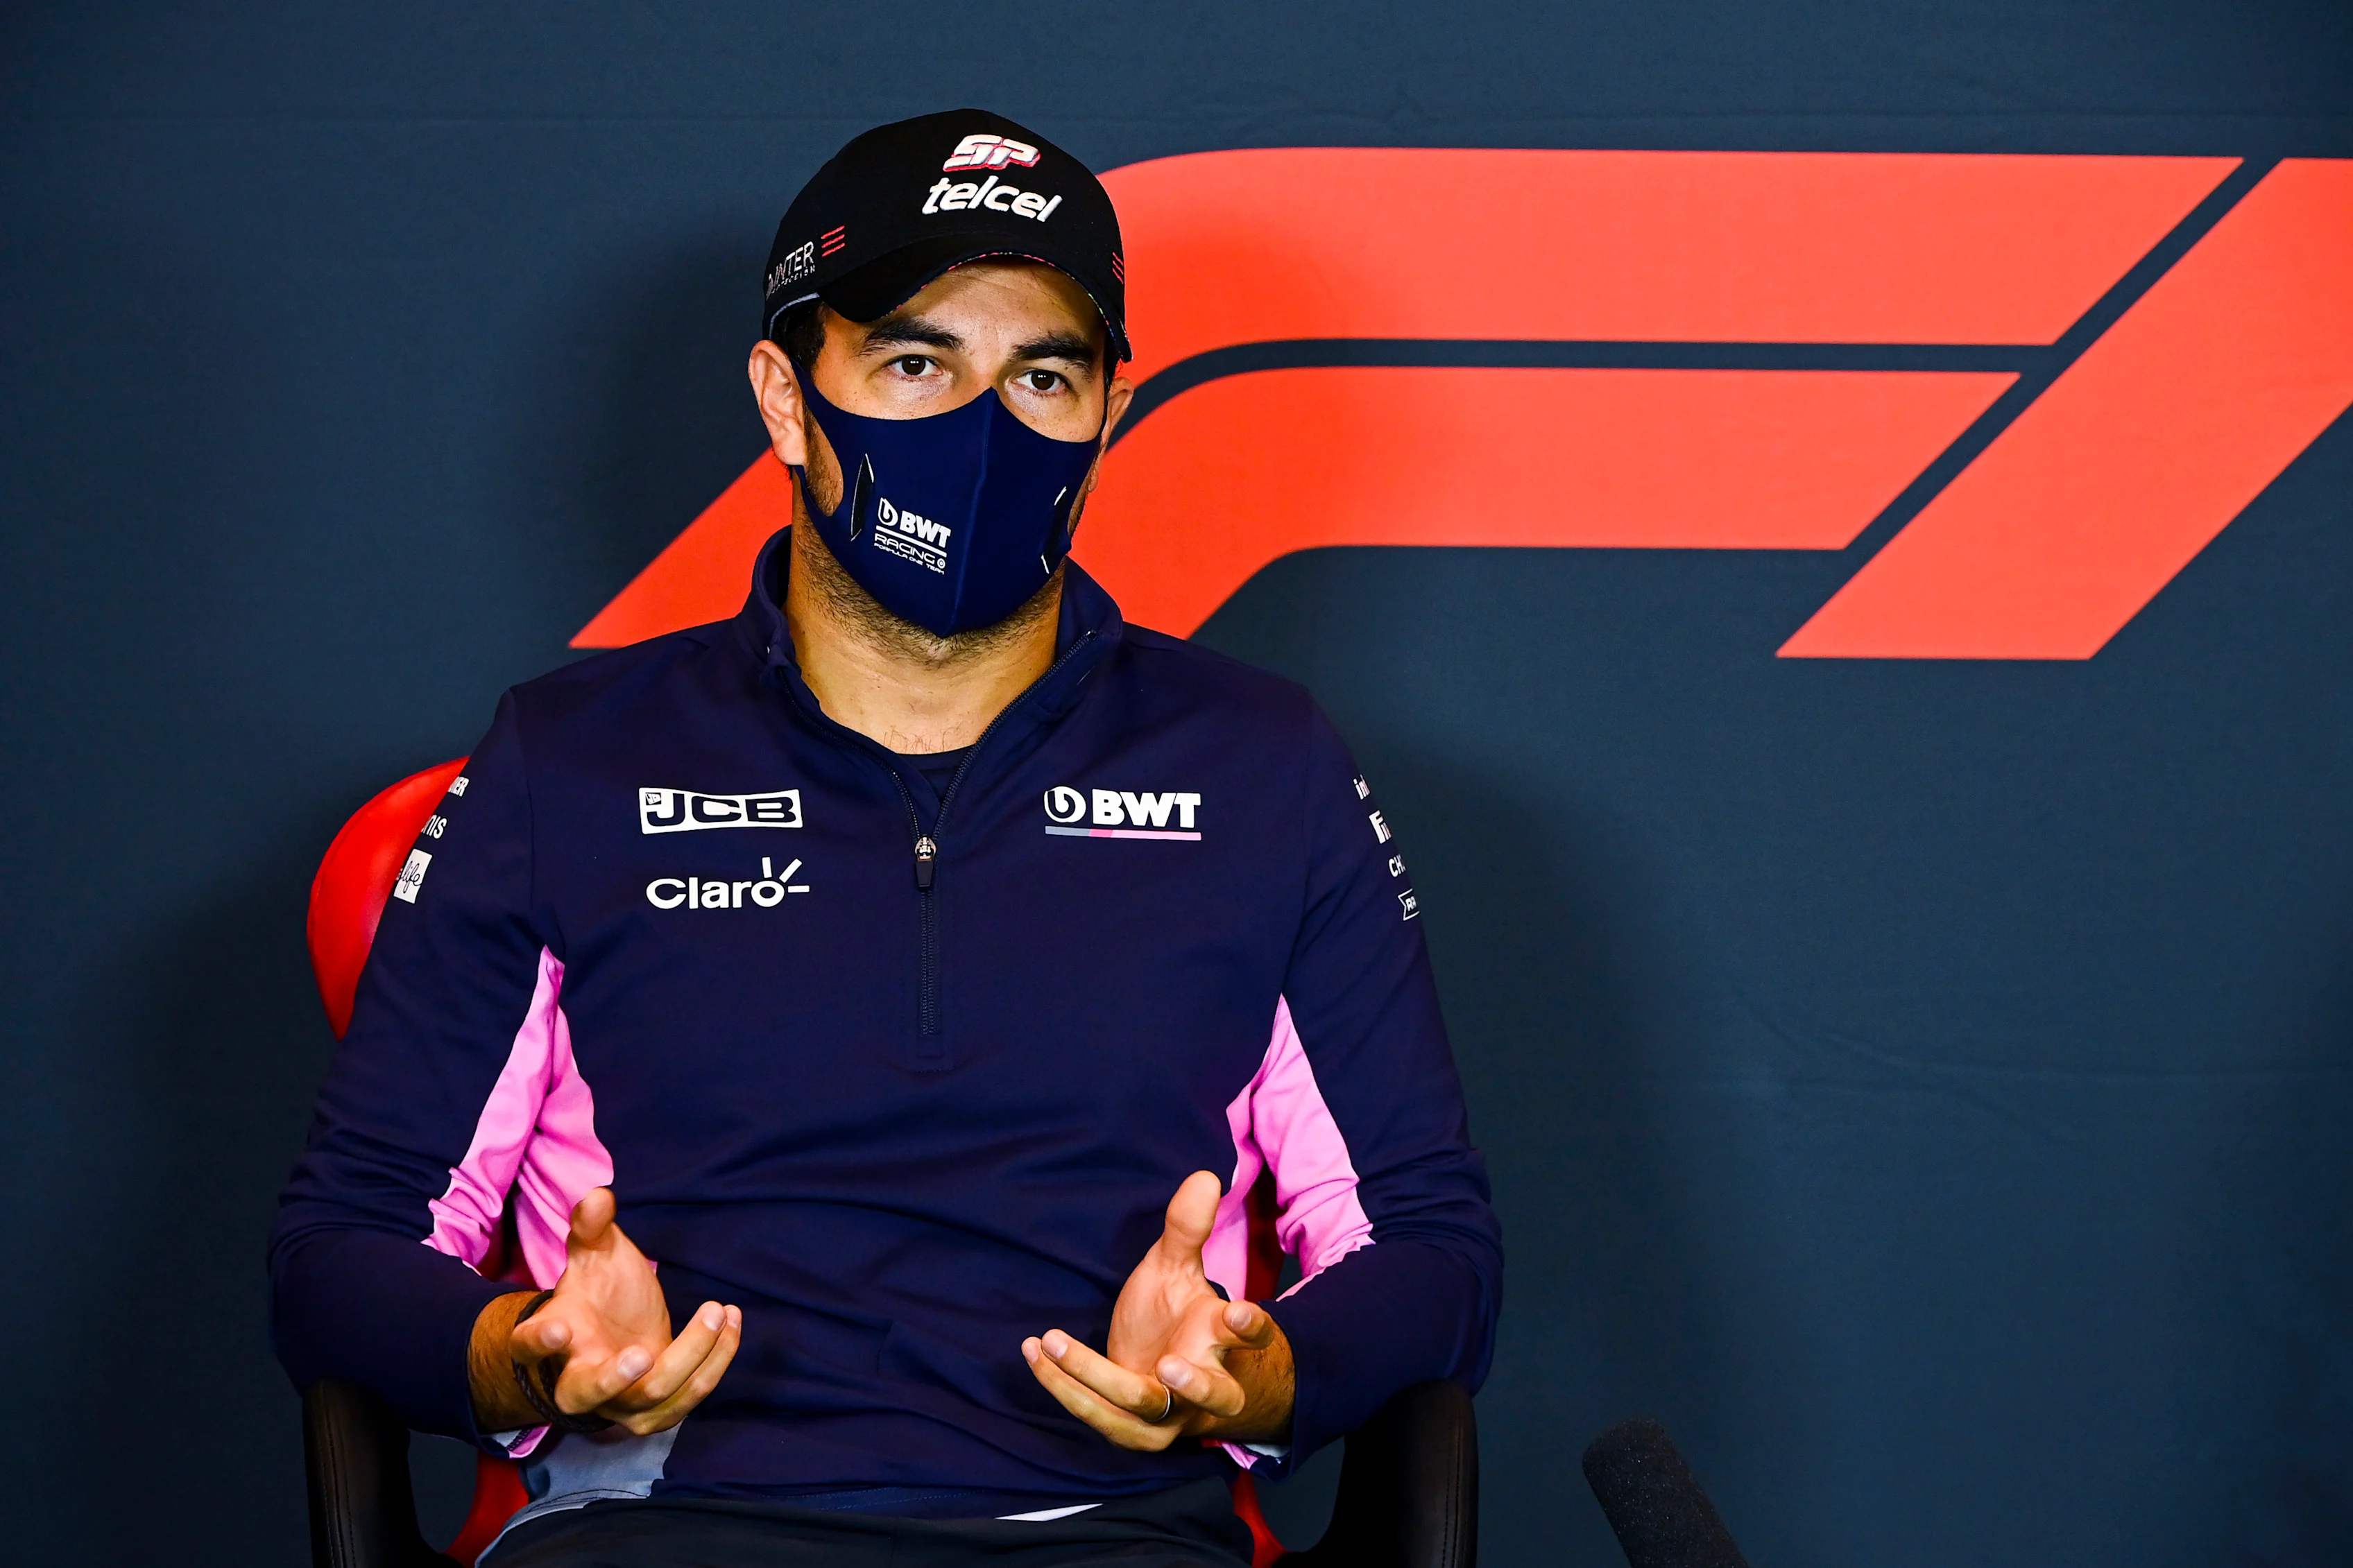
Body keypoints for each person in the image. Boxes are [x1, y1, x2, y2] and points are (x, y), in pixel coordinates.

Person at [271, 108, 1501, 1568]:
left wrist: (1258, 1371)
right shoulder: (572, 756)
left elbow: (1430, 1245)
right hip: (669, 1528)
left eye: (1043, 374)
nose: (985, 426)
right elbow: (343, 1244)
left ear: (1109, 407)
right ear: (789, 400)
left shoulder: (1259, 764)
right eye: (917, 362)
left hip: (1110, 1532)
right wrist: (519, 1352)